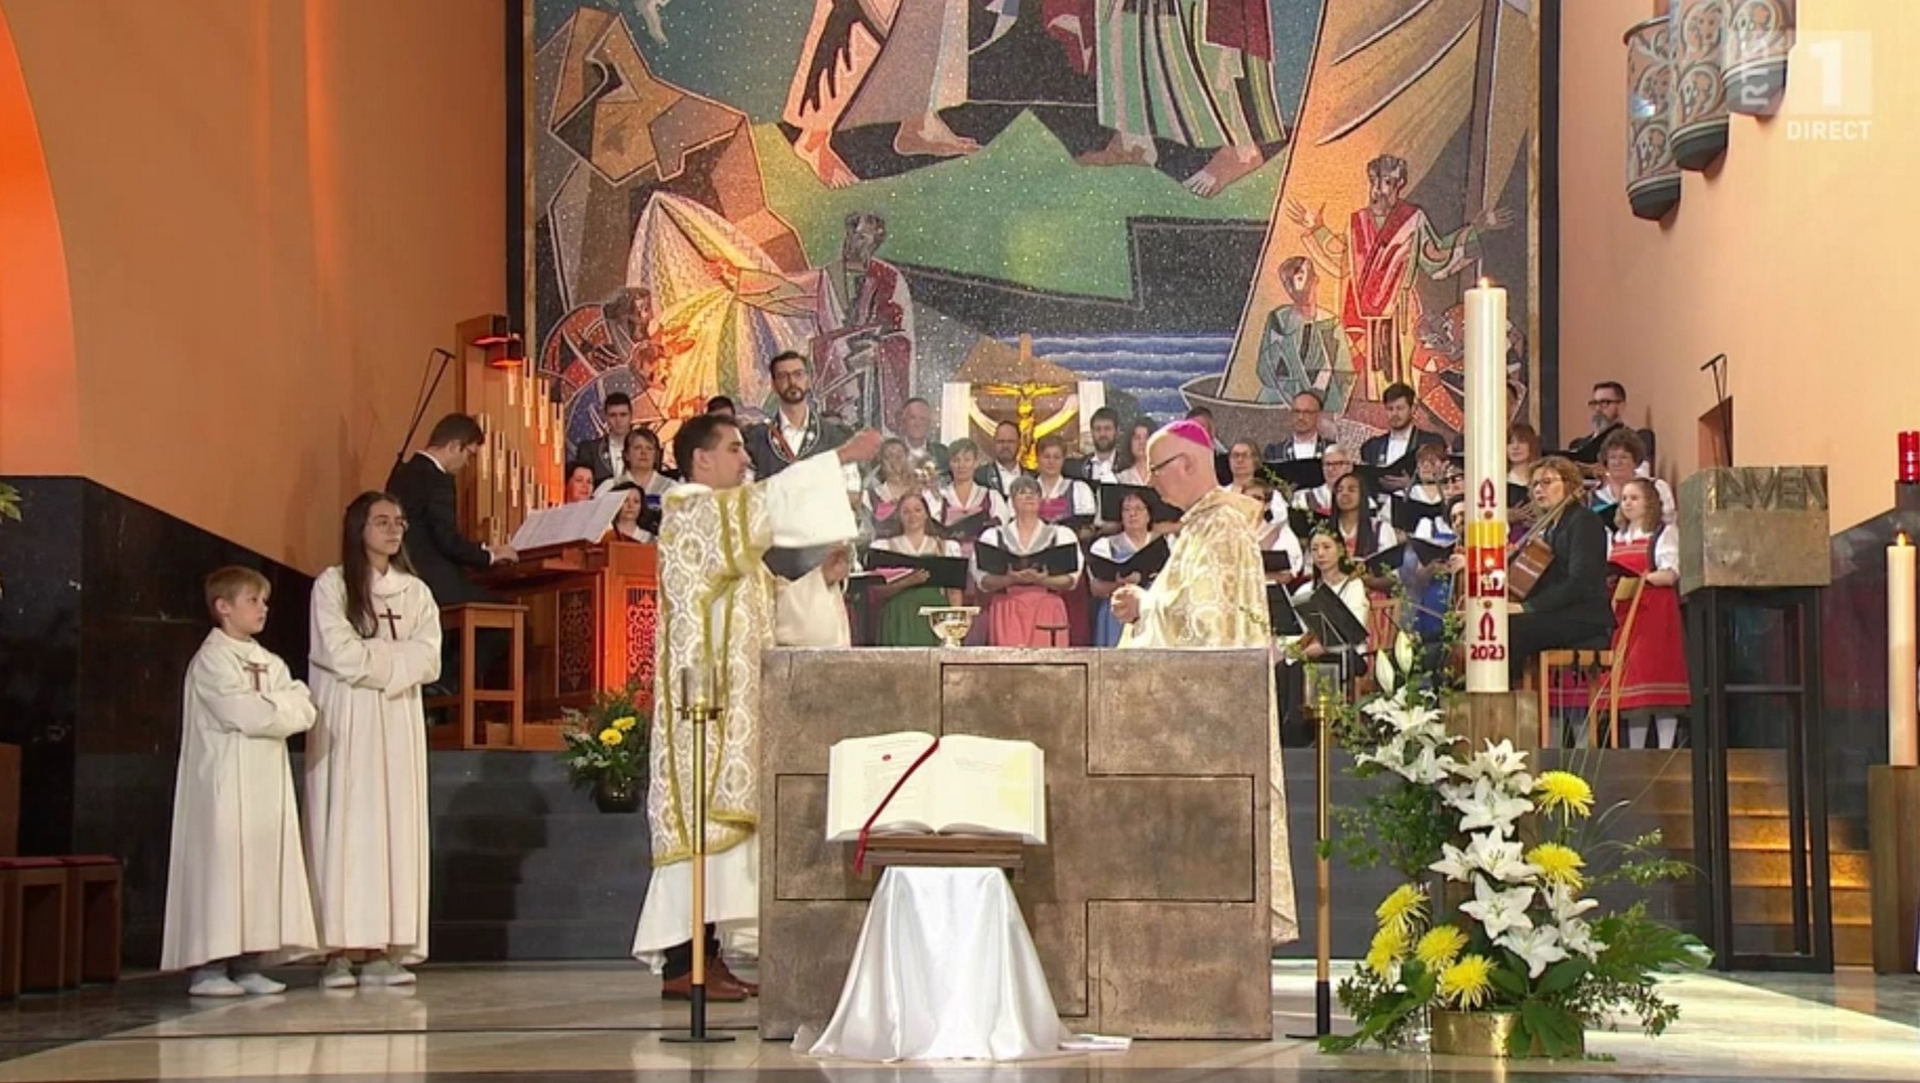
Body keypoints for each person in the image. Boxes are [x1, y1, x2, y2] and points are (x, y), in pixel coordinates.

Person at [632, 415, 882, 998]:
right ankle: (680, 963)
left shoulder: (728, 535)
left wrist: (817, 580)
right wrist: (838, 457)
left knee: (722, 835)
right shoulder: (689, 513)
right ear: (700, 461)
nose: (746, 460)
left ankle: (708, 955)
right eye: (735, 449)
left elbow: (769, 608)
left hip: (731, 708)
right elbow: (768, 504)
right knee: (698, 825)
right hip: (702, 708)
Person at [1107, 418, 1297, 947]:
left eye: (1157, 469)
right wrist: (1142, 606)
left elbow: (1207, 626)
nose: (1153, 483)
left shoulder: (1221, 528)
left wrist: (1146, 604)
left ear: (1187, 464)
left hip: (1210, 722)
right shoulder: (1200, 527)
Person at [306, 492, 443, 988]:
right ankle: (338, 949)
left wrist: (378, 659)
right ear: (357, 527)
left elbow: (430, 659)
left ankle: (385, 946)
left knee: (393, 826)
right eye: (381, 521)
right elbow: (337, 652)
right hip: (350, 718)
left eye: (399, 522)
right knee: (349, 822)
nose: (393, 530)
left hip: (397, 719)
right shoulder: (333, 585)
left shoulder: (414, 592)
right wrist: (393, 660)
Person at [161, 566, 319, 997]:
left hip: (266, 779)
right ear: (223, 607)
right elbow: (242, 714)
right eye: (253, 600)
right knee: (222, 867)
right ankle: (209, 967)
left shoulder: (270, 662)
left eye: (264, 601)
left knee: (260, 868)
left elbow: (305, 709)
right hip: (224, 781)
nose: (263, 608)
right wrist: (276, 707)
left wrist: (273, 707)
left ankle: (250, 961)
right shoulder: (212, 660)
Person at [1595, 478, 1690, 748]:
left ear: (1649, 502)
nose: (1627, 503)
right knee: (1631, 685)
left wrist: (1641, 579)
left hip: (1655, 612)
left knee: (1657, 676)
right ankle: (1635, 752)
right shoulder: (1617, 537)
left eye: (1634, 498)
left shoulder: (1662, 534)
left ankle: (1665, 747)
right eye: (1624, 498)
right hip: (1626, 613)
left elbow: (1670, 574)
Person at [384, 414, 516, 606]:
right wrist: (491, 555)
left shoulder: (401, 474)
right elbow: (447, 541)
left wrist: (482, 549)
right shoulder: (438, 481)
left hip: (404, 577)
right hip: (436, 584)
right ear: (454, 446)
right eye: (469, 455)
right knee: (510, 613)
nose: (467, 463)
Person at [1508, 457, 1614, 683]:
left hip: (1584, 619)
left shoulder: (1584, 521)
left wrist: (1527, 607)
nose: (1539, 489)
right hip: (1560, 614)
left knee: (1509, 630)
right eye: (1535, 484)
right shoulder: (1549, 528)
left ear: (1568, 484)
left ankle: (1510, 701)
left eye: (1546, 482)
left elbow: (1580, 582)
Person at [972, 477, 1083, 647]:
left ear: (1041, 500)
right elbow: (983, 581)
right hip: (1007, 608)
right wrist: (1010, 579)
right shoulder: (992, 537)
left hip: (1047, 607)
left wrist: (1041, 580)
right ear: (1012, 502)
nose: (1029, 496)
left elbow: (1070, 580)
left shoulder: (1061, 535)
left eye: (1034, 493)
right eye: (1022, 493)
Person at [869, 493, 963, 646]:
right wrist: (907, 582)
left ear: (926, 514)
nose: (912, 516)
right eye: (906, 511)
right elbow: (876, 591)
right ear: (899, 516)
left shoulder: (946, 547)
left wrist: (954, 630)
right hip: (899, 617)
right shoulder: (884, 548)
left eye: (917, 510)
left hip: (935, 617)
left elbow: (954, 592)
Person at [1088, 490, 1157, 647]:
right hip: (1117, 610)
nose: (1132, 514)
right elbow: (1095, 588)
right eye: (1127, 509)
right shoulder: (1105, 546)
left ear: (1149, 515)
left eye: (1139, 509)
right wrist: (1121, 584)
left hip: (1152, 609)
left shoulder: (1166, 543)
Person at [574, 391, 636, 487]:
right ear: (605, 417)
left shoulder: (646, 449)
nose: (618, 420)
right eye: (613, 415)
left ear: (631, 416)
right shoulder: (589, 450)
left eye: (623, 415)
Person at [596, 428, 676, 499]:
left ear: (656, 456)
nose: (644, 452)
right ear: (626, 454)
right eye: (637, 448)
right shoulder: (610, 487)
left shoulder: (672, 488)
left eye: (649, 448)